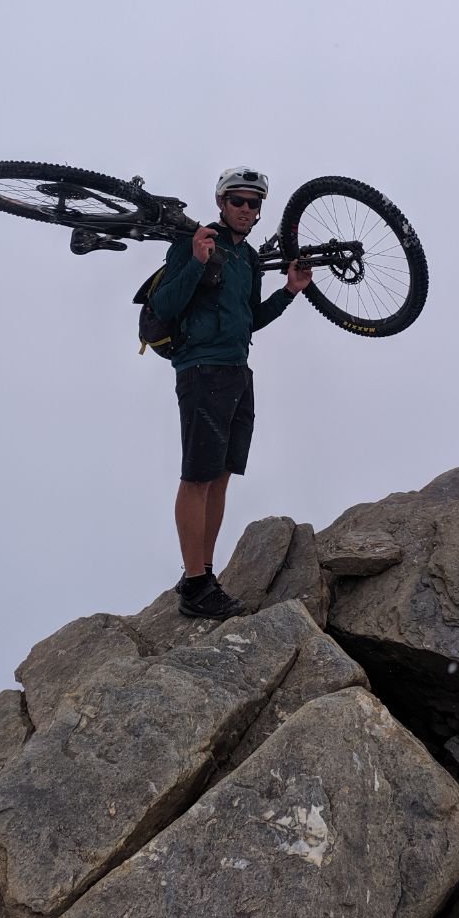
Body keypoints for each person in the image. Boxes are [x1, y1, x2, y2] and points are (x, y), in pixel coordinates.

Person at [151, 166, 312, 620]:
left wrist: (289, 293)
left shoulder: (246, 259)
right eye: (237, 200)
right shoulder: (193, 242)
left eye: (254, 203)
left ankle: (202, 573)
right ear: (221, 203)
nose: (245, 209)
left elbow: (249, 319)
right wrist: (197, 263)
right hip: (201, 369)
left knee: (220, 476)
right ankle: (195, 586)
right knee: (197, 477)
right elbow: (164, 305)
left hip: (239, 371)